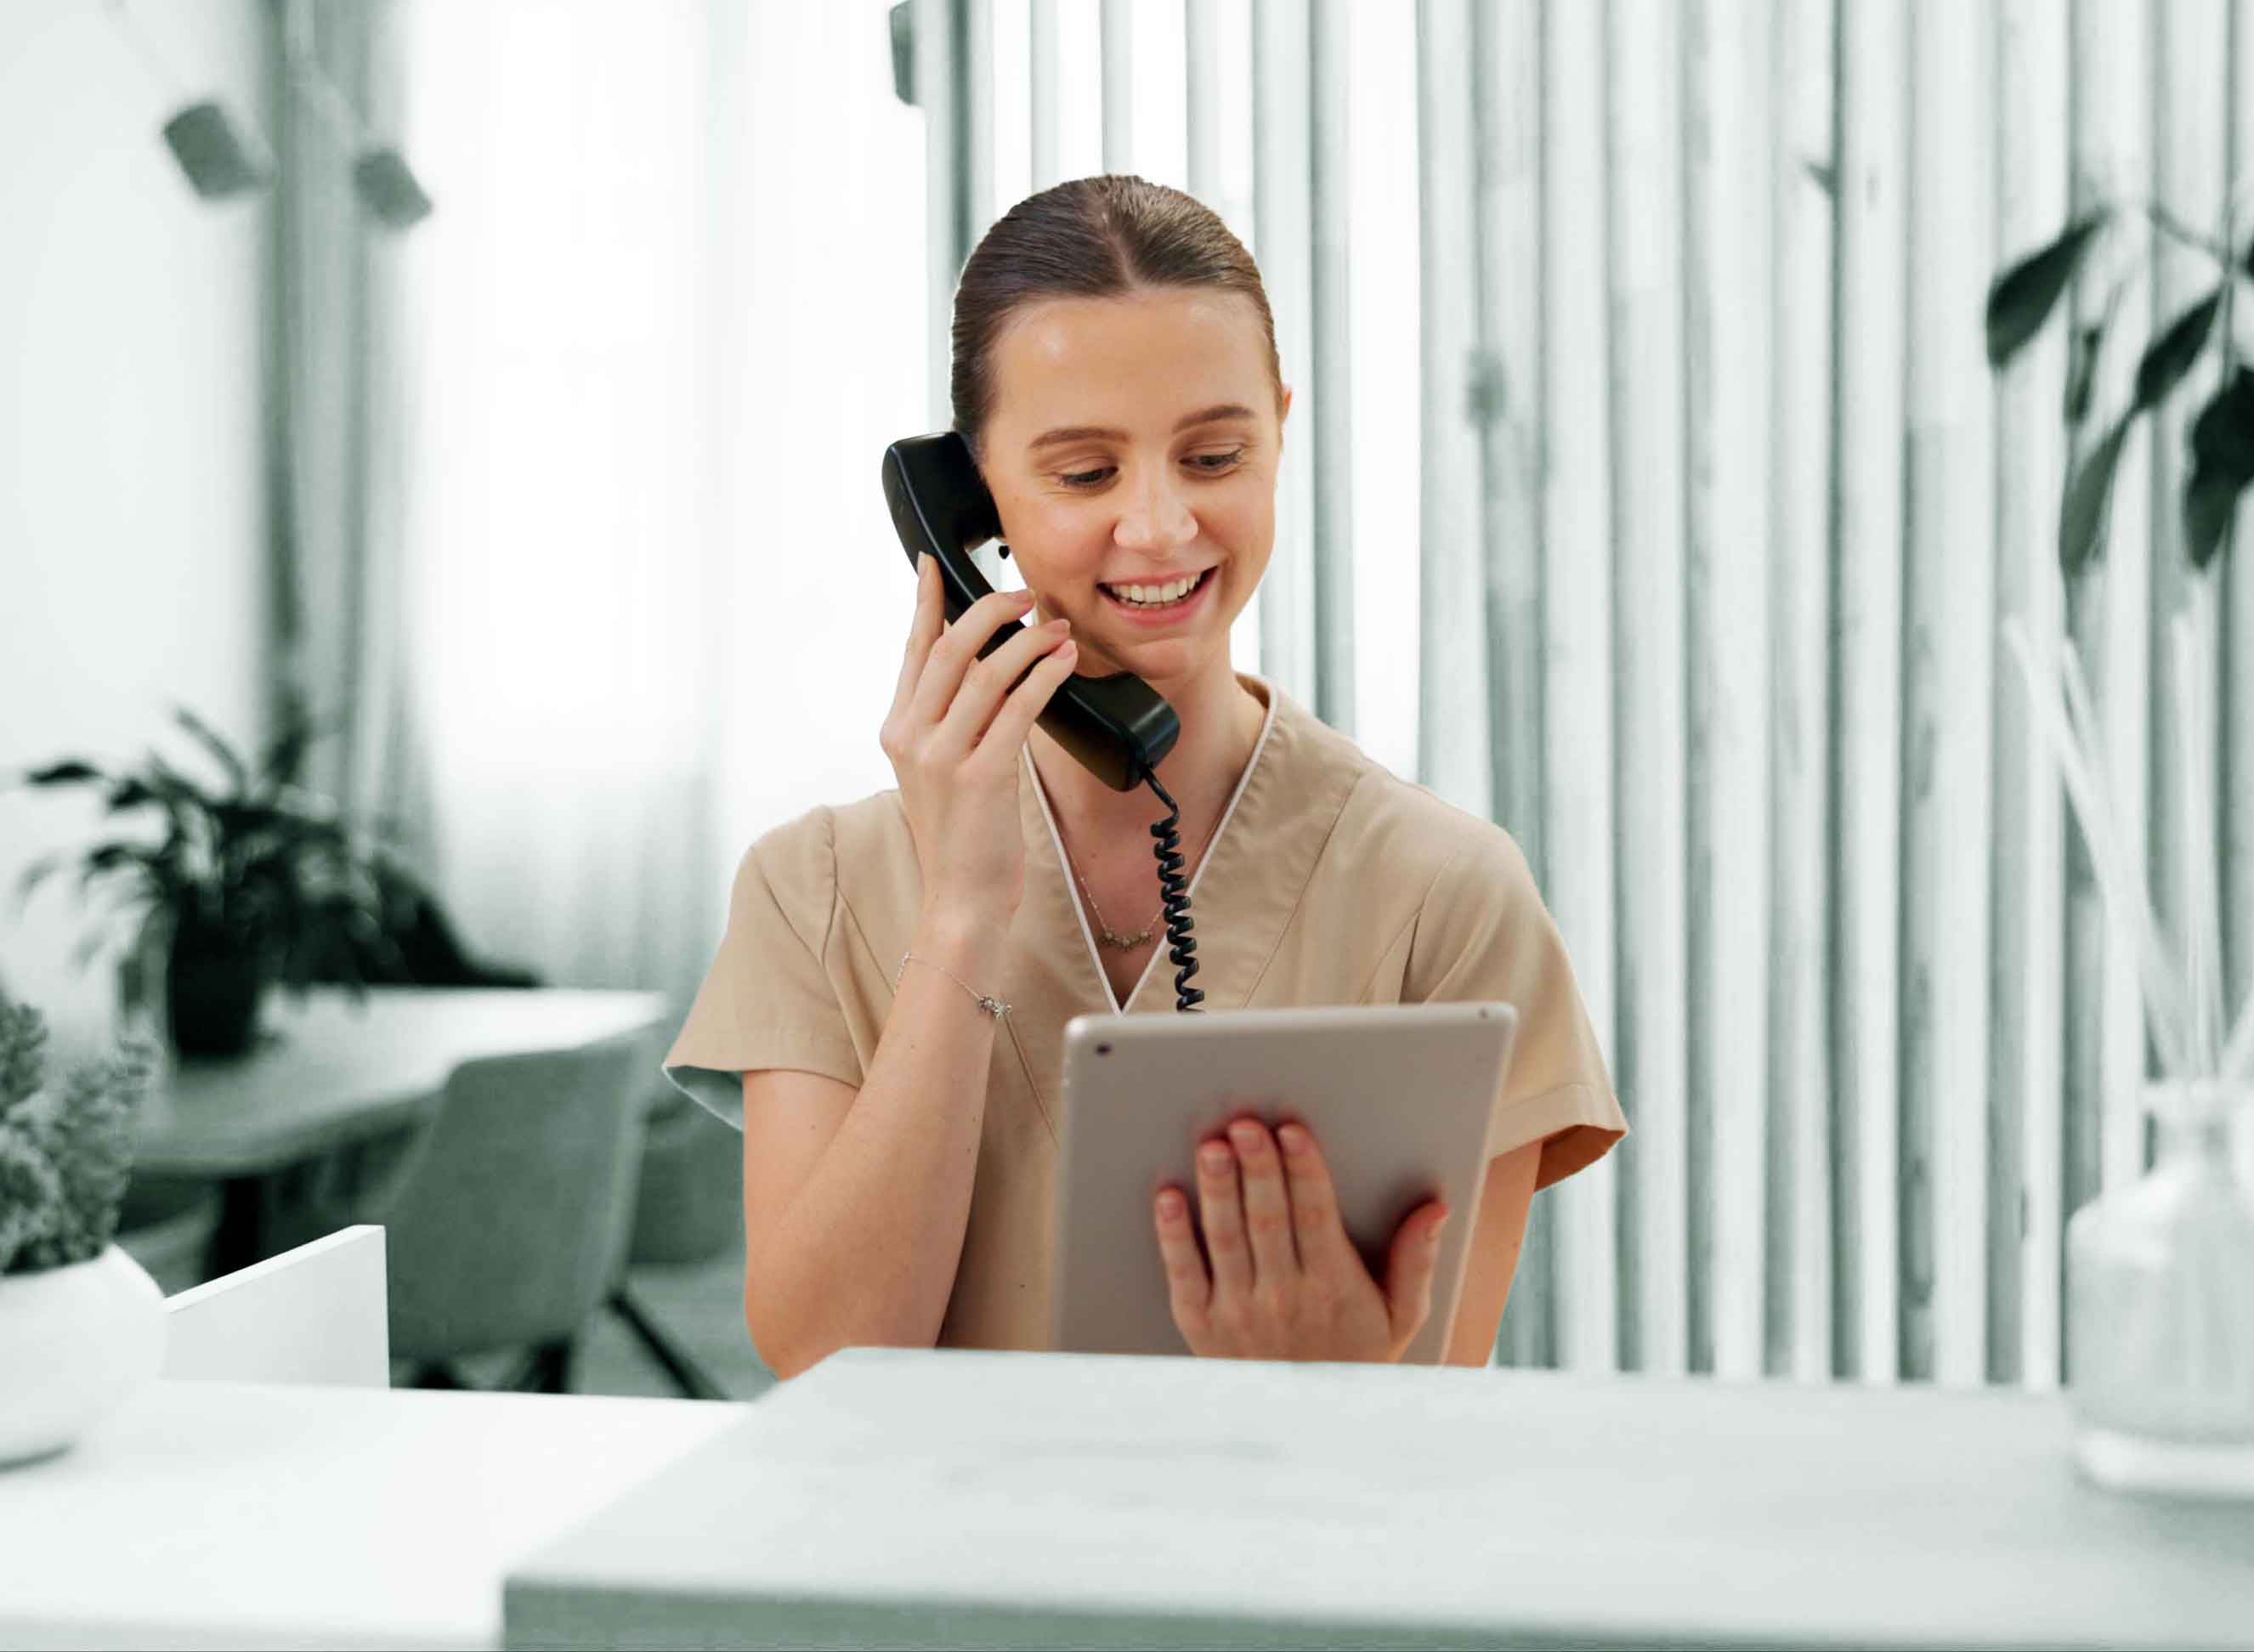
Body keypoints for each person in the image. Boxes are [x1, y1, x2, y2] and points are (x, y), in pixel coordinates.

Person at [666, 175, 1624, 1379]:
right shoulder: (813, 886)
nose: (1162, 526)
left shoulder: (1445, 890)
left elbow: (1433, 1413)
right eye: (1083, 475)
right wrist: (959, 920)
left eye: (1215, 454)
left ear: (1278, 430)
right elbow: (821, 1363)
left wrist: (1324, 1380)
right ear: (967, 498)